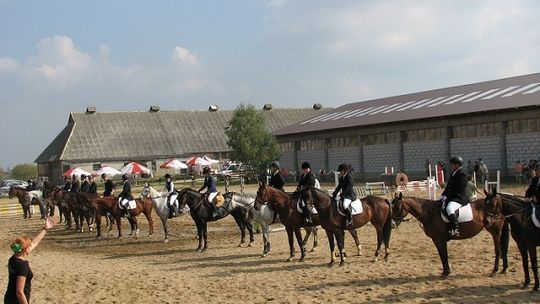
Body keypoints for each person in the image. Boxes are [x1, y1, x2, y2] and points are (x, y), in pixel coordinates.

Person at [4, 217, 57, 304]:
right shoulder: (23, 265)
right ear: (25, 249)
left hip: (9, 299)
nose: (31, 246)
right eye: (29, 246)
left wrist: (45, 229)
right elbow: (19, 292)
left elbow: (34, 243)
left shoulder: (12, 259)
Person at [440, 156, 468, 237]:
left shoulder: (462, 174)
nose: (450, 166)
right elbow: (448, 187)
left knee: (449, 208)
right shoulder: (453, 173)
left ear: (457, 165)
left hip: (459, 198)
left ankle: (455, 229)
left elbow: (458, 189)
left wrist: (447, 196)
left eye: (452, 165)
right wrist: (442, 196)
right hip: (452, 197)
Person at [332, 163, 356, 227]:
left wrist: (341, 195)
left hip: (350, 195)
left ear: (345, 171)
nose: (340, 172)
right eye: (340, 171)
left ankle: (350, 219)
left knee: (345, 204)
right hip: (344, 195)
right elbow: (339, 187)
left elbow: (348, 189)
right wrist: (334, 194)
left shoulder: (349, 178)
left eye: (341, 171)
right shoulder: (342, 178)